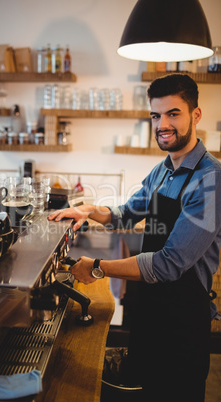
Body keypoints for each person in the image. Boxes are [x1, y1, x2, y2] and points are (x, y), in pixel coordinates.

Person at [48, 74, 221, 402]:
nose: (162, 124)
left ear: (195, 115)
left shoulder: (210, 180)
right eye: (156, 116)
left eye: (173, 113)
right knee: (145, 390)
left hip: (183, 322)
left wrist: (98, 266)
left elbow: (168, 264)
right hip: (152, 310)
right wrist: (85, 210)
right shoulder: (165, 169)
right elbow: (126, 213)